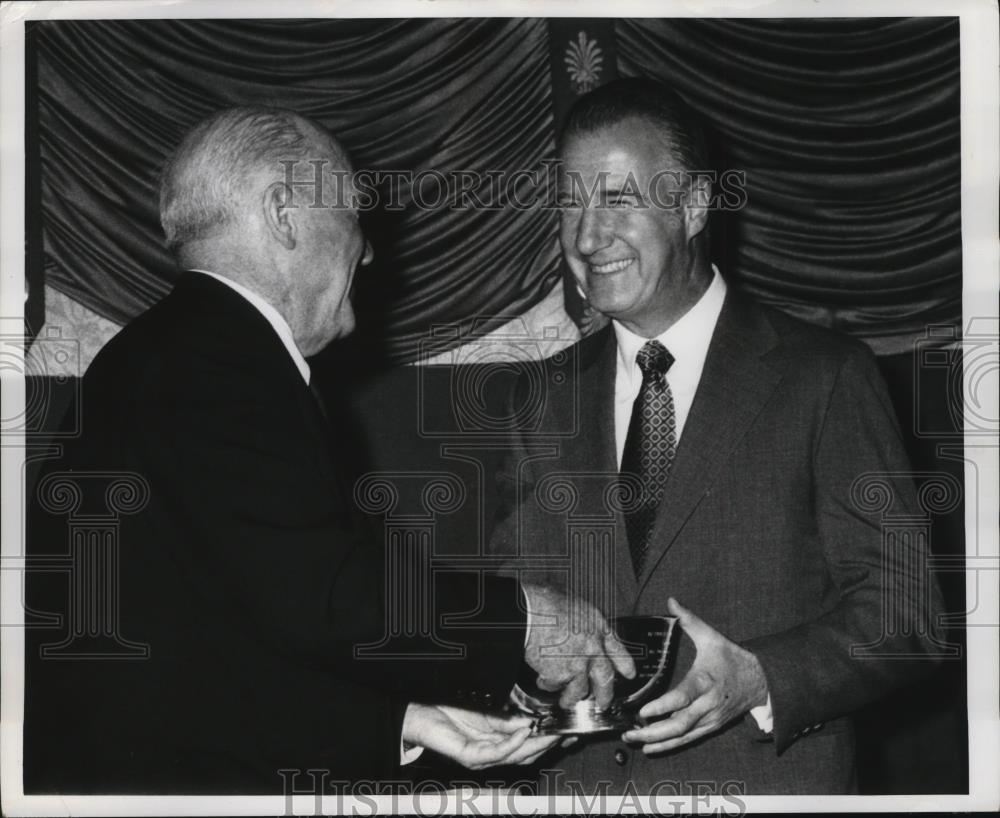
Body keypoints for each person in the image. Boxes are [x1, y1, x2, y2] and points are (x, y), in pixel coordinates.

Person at [23, 106, 635, 794]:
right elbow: (321, 595)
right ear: (284, 214)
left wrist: (405, 723)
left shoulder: (166, 355)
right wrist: (530, 616)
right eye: (351, 213)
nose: (368, 250)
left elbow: (211, 646)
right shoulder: (219, 363)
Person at [489, 78, 945, 794]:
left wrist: (762, 677)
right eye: (570, 202)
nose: (585, 236)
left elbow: (907, 615)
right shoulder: (534, 399)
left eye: (616, 199)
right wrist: (519, 676)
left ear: (694, 205)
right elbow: (510, 600)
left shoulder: (824, 377)